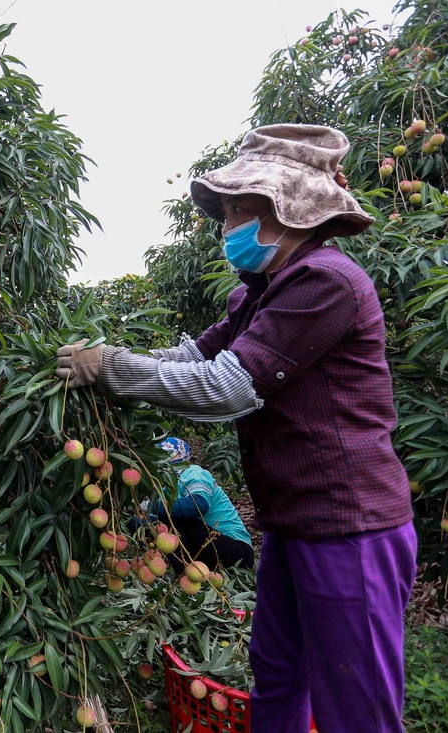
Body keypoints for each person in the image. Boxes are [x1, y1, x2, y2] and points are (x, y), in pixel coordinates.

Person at [55, 124, 416, 733]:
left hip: (348, 526)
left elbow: (226, 388)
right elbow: (193, 359)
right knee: (278, 672)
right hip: (292, 521)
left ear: (291, 212)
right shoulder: (262, 292)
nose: (228, 229)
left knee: (355, 703)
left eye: (239, 212)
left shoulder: (325, 283)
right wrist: (104, 354)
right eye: (225, 214)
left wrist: (112, 369)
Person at [131, 436, 254, 570]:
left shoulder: (193, 472)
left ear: (179, 455)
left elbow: (198, 505)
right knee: (161, 522)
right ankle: (185, 576)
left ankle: (182, 571)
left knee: (169, 516)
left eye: (166, 454)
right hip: (207, 555)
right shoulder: (165, 488)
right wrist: (129, 520)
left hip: (238, 553)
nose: (159, 460)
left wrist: (150, 507)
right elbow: (154, 524)